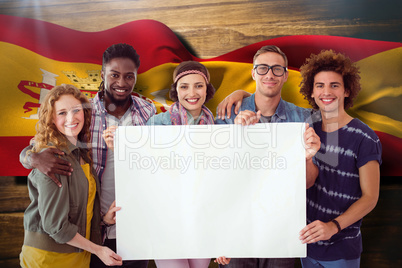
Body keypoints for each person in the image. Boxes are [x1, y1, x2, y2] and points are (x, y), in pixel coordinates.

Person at [19, 43, 156, 268]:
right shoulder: (84, 113)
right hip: (94, 230)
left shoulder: (147, 111)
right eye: (114, 75)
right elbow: (38, 145)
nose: (122, 83)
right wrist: (33, 159)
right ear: (102, 74)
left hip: (136, 221)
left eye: (129, 76)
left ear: (136, 77)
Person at [104, 61, 230, 267]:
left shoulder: (219, 127)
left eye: (199, 85)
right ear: (176, 90)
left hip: (202, 218)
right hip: (165, 218)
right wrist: (120, 148)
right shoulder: (157, 123)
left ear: (207, 89)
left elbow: (225, 180)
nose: (192, 92)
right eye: (184, 86)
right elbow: (142, 168)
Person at [215, 45, 321, 268]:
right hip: (237, 228)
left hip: (282, 229)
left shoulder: (303, 119)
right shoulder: (227, 113)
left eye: (276, 69)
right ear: (253, 73)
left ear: (285, 75)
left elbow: (309, 182)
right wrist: (236, 136)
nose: (270, 75)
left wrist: (308, 158)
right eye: (262, 69)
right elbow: (215, 176)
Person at [19, 84, 122, 268]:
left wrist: (104, 220)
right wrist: (98, 250)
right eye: (62, 113)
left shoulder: (80, 153)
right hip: (50, 258)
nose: (71, 118)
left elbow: (79, 207)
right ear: (51, 118)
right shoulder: (52, 157)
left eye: (76, 110)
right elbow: (56, 227)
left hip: (79, 254)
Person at [297, 50, 381, 267]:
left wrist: (332, 226)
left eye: (334, 85)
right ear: (312, 92)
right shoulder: (306, 130)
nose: (327, 91)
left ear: (346, 90)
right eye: (320, 85)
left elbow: (370, 197)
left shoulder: (365, 137)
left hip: (342, 249)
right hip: (305, 244)